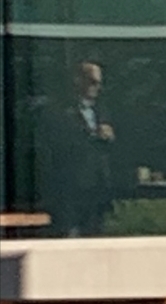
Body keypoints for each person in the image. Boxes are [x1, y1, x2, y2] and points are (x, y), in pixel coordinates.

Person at [48, 61, 115, 237]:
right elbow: (59, 145)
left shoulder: (103, 111)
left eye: (99, 83)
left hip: (98, 188)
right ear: (79, 81)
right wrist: (92, 135)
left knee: (96, 234)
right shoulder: (62, 111)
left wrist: (109, 137)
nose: (97, 88)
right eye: (93, 82)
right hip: (72, 189)